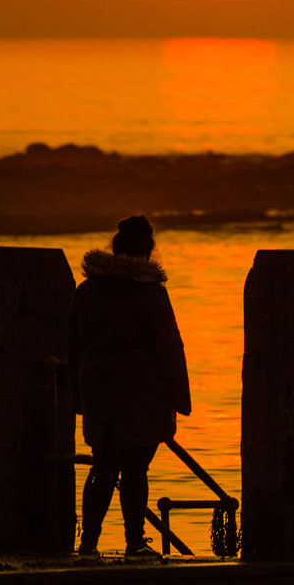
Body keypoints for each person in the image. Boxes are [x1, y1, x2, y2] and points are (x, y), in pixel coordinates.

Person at [69, 215, 191, 559]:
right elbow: (169, 347)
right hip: (141, 391)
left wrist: (76, 396)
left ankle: (87, 544)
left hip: (96, 387)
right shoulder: (150, 293)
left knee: (103, 463)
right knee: (135, 466)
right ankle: (134, 542)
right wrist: (180, 399)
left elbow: (72, 345)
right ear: (148, 252)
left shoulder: (86, 291)